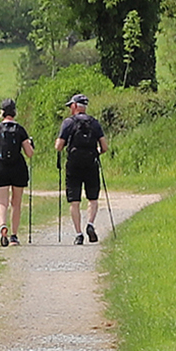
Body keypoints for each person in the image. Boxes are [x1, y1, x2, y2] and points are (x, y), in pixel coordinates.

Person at [56, 93, 113, 244]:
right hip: (91, 164)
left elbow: (58, 146)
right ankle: (90, 224)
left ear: (75, 106)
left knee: (74, 201)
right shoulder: (94, 123)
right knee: (92, 198)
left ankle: (78, 234)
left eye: (70, 106)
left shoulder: (68, 123)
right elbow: (105, 147)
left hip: (73, 166)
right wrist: (96, 153)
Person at [0, 98, 33, 246]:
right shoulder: (20, 130)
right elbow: (29, 153)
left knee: (2, 202)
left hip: (0, 169)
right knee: (16, 203)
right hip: (18, 168)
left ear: (2, 112)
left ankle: (2, 226)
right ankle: (14, 236)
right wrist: (30, 144)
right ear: (14, 112)